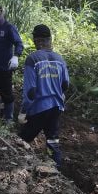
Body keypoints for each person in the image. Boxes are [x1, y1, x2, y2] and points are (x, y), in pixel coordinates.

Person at [18, 24, 69, 168]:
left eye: (35, 40)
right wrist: (60, 95)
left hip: (40, 108)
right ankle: (58, 174)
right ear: (49, 40)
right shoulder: (60, 59)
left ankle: (21, 168)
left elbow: (31, 91)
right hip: (56, 107)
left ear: (38, 41)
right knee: (53, 141)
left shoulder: (32, 59)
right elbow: (65, 84)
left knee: (22, 140)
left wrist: (23, 111)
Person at [0, 3, 24, 123]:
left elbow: (19, 43)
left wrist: (16, 56)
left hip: (4, 69)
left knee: (6, 95)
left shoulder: (9, 28)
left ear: (2, 13)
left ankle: (8, 119)